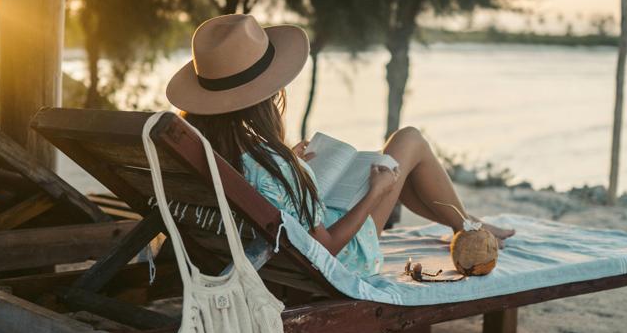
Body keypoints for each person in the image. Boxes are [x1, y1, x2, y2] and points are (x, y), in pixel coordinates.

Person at [166, 14, 514, 277]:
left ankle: (467, 222)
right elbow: (326, 248)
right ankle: (465, 225)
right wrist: (374, 194)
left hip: (259, 256)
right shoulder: (270, 165)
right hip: (340, 258)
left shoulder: (206, 151)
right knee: (408, 142)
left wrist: (289, 162)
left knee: (397, 163)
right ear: (269, 95)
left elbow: (265, 193)